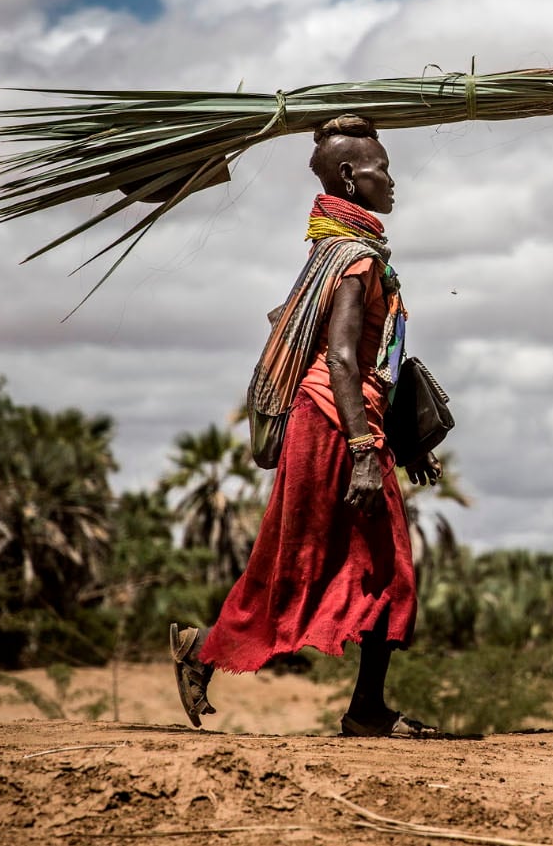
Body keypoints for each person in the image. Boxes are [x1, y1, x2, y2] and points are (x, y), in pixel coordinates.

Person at [170, 114, 444, 737]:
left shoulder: (342, 251)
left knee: (350, 566)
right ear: (349, 177)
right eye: (383, 170)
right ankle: (353, 705)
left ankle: (362, 706)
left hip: (341, 421)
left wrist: (394, 438)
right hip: (334, 427)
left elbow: (371, 360)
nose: (393, 182)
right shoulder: (352, 258)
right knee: (365, 567)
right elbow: (344, 358)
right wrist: (365, 450)